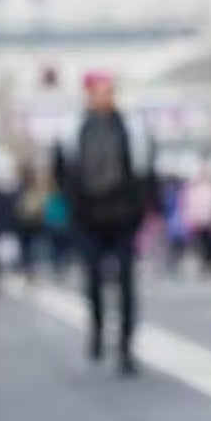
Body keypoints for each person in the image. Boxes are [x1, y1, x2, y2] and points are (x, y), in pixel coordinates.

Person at [55, 71, 150, 376]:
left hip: (123, 216)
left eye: (107, 91)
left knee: (126, 282)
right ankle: (97, 331)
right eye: (97, 91)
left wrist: (140, 209)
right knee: (93, 279)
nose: (103, 97)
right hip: (89, 217)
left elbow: (144, 172)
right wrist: (74, 209)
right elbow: (63, 173)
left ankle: (125, 346)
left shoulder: (131, 127)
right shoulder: (74, 129)